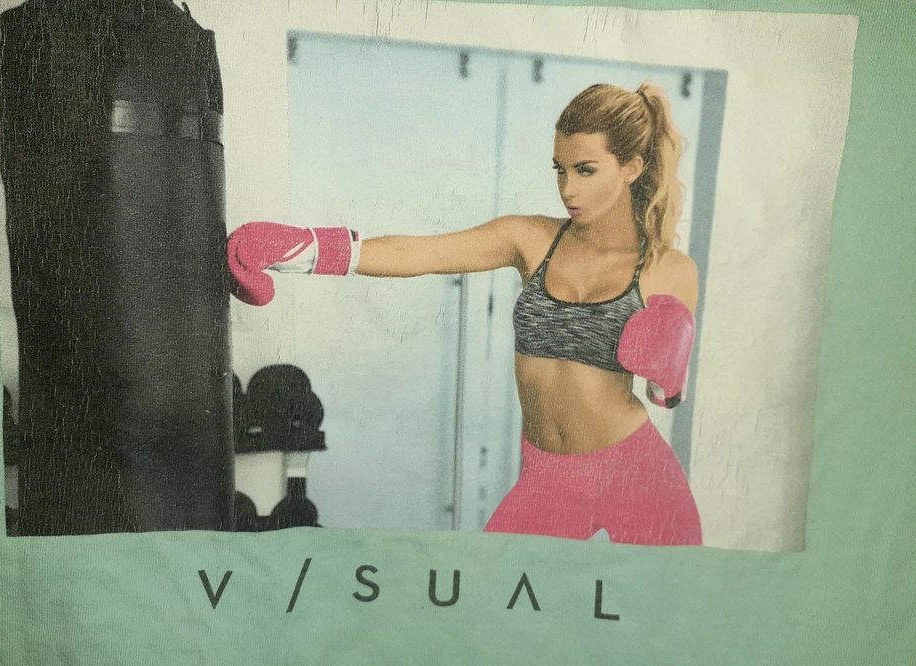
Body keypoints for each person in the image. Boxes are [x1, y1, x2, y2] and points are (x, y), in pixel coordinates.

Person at [227, 81, 702, 546]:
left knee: (671, 599)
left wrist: (667, 375)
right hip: (550, 478)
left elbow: (664, 396)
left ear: (631, 168)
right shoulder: (531, 238)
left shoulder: (669, 270)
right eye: (559, 170)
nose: (567, 188)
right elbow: (421, 253)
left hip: (637, 475)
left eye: (585, 170)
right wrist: (303, 248)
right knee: (490, 593)